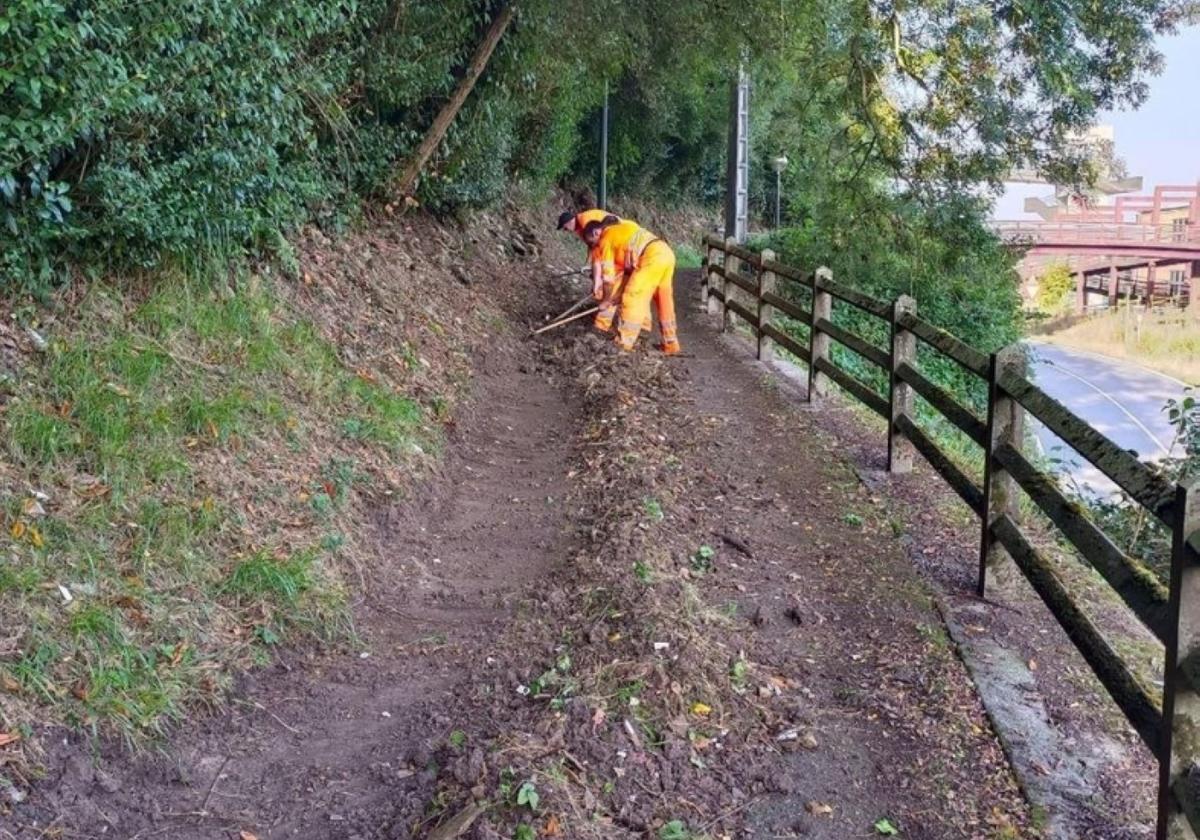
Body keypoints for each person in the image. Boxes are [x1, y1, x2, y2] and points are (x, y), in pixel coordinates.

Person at [581, 216, 680, 355]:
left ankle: (623, 344)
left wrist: (606, 301)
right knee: (663, 300)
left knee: (633, 296)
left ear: (596, 233)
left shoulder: (605, 239)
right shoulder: (623, 230)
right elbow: (628, 273)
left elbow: (608, 280)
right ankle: (671, 344)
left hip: (651, 256)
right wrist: (616, 297)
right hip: (665, 253)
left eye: (592, 243)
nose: (595, 248)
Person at [556, 209, 649, 333]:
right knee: (615, 287)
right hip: (621, 248)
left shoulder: (586, 221)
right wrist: (589, 267)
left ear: (569, 221)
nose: (565, 230)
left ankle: (603, 325)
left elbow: (597, 251)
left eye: (564, 227)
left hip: (622, 248)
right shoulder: (580, 226)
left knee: (610, 286)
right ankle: (643, 325)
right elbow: (593, 248)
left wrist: (597, 279)